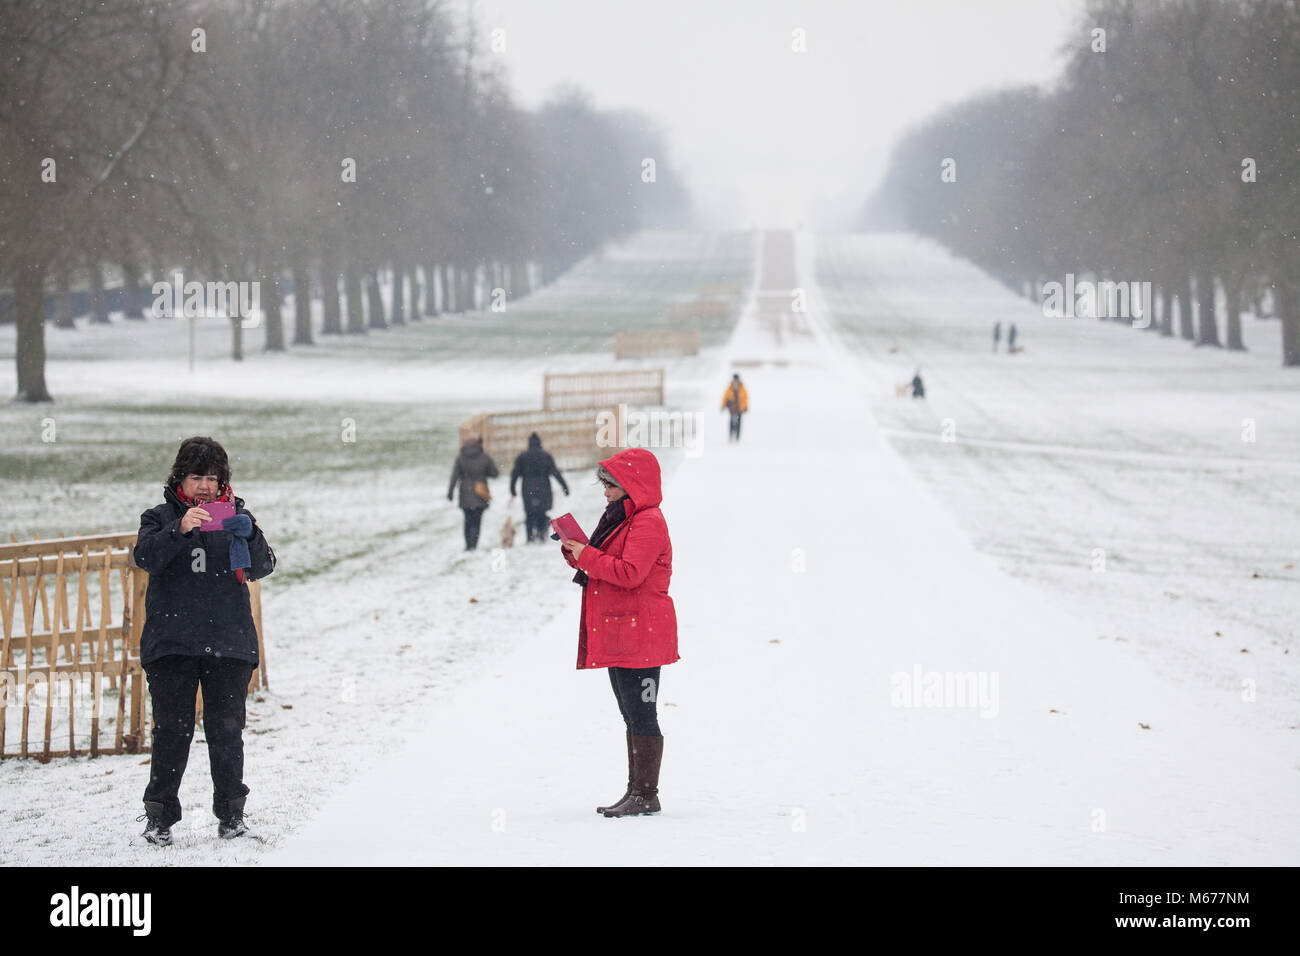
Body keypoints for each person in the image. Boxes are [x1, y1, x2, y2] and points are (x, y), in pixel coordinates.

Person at [132, 436, 276, 846]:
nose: (206, 487)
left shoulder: (236, 516)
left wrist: (249, 535)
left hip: (228, 642)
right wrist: (178, 530)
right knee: (172, 733)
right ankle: (159, 818)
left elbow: (263, 566)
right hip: (172, 643)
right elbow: (145, 558)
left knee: (227, 732)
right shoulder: (158, 517)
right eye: (197, 477)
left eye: (213, 478)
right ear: (180, 479)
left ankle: (232, 815)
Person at [559, 448, 678, 817]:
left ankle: (646, 793)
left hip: (643, 634)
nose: (605, 492)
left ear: (631, 486)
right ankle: (636, 791)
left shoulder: (648, 522)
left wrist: (587, 555)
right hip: (624, 632)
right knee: (630, 713)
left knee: (642, 714)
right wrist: (575, 551)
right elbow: (601, 560)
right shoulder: (620, 518)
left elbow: (629, 573)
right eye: (605, 485)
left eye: (610, 485)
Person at [510, 432, 570, 543]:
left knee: (529, 513)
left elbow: (515, 474)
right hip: (543, 487)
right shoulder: (545, 456)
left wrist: (512, 489)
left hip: (527, 488)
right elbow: (555, 472)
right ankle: (542, 535)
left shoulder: (522, 457)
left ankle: (529, 537)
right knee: (541, 512)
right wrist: (564, 487)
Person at [447, 435, 499, 550]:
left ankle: (468, 545)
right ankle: (474, 544)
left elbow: (454, 477)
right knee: (477, 521)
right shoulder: (484, 458)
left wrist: (450, 492)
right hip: (480, 494)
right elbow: (495, 473)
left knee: (467, 520)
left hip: (465, 493)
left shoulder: (461, 458)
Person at [721, 373, 749, 442]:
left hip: (740, 408)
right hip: (732, 408)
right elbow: (725, 397)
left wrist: (745, 407)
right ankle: (730, 436)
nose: (735, 381)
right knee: (731, 422)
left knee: (739, 423)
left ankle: (737, 437)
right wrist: (723, 405)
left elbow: (745, 398)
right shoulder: (730, 388)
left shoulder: (742, 388)